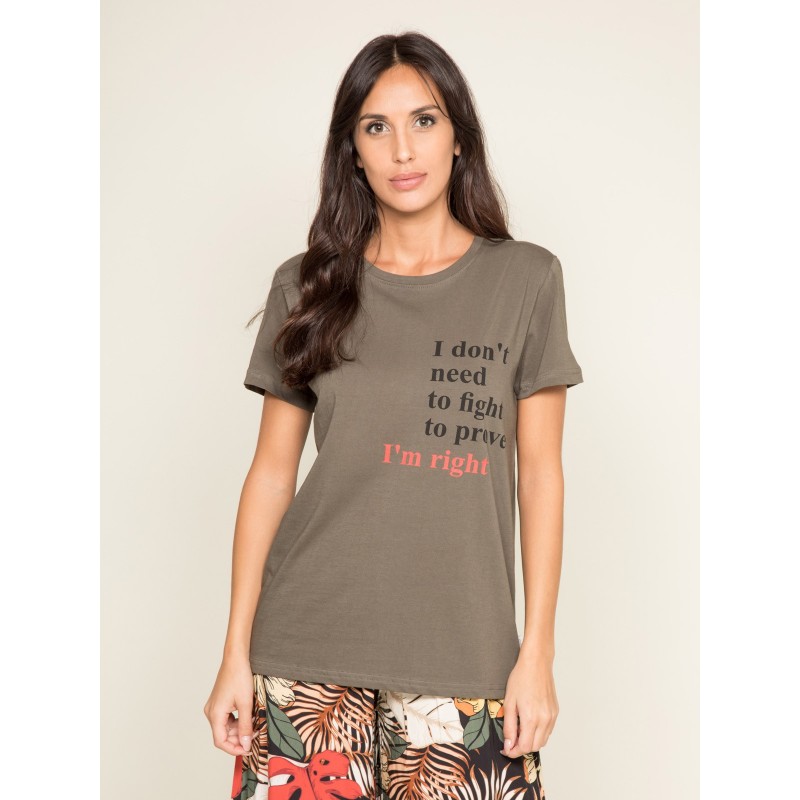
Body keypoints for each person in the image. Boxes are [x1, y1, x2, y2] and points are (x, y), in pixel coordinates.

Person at [204, 31, 584, 800]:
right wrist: (234, 653)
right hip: (306, 663)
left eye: (424, 120)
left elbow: (541, 475)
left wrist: (537, 652)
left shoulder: (526, 280)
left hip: (466, 664)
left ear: (458, 137)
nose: (402, 150)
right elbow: (271, 476)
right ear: (352, 150)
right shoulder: (306, 287)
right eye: (376, 127)